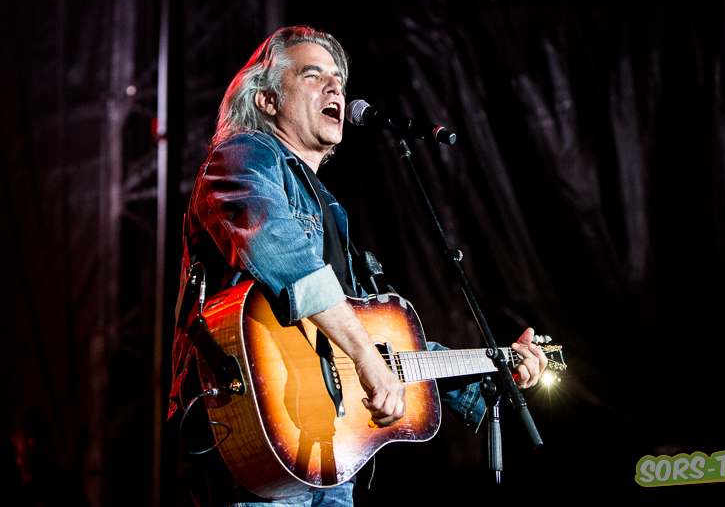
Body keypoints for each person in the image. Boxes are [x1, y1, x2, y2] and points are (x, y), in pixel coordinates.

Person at [168, 25, 548, 507]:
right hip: (252, 439)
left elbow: (383, 342)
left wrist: (495, 366)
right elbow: (280, 254)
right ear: (266, 100)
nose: (335, 89)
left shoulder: (330, 209)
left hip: (330, 456)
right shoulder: (243, 156)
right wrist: (366, 358)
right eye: (313, 75)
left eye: (339, 81)